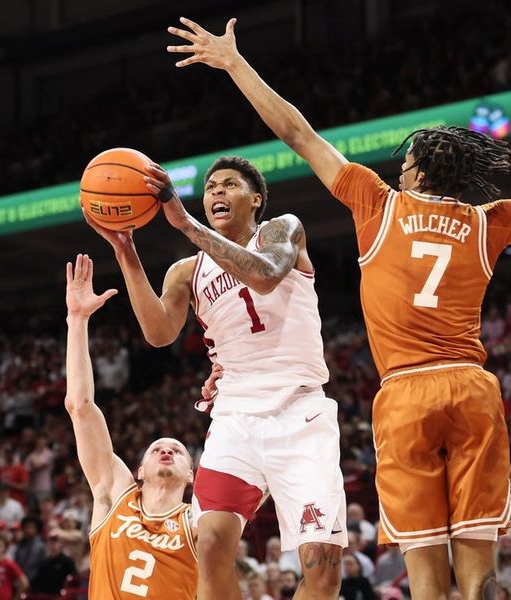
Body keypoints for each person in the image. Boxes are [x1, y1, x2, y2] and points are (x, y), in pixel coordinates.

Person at [165, 15, 511, 599]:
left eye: (405, 161)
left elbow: (298, 133)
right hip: (471, 387)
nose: (398, 166)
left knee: (425, 579)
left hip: (406, 394)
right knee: (479, 573)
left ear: (417, 169)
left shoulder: (378, 205)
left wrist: (235, 63)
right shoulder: (488, 221)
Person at [84, 114, 346, 600]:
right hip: (235, 417)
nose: (216, 191)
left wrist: (182, 221)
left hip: (301, 412)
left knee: (324, 571)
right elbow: (160, 333)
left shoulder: (283, 231)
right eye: (209, 187)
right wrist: (125, 251)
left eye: (230, 184)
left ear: (256, 199)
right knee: (209, 545)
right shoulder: (186, 270)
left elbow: (265, 275)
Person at [63, 254, 198, 598]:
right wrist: (76, 320)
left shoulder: (198, 521)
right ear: (138, 470)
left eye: (177, 450)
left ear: (191, 475)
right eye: (157, 449)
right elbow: (80, 407)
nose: (166, 449)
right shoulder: (113, 495)